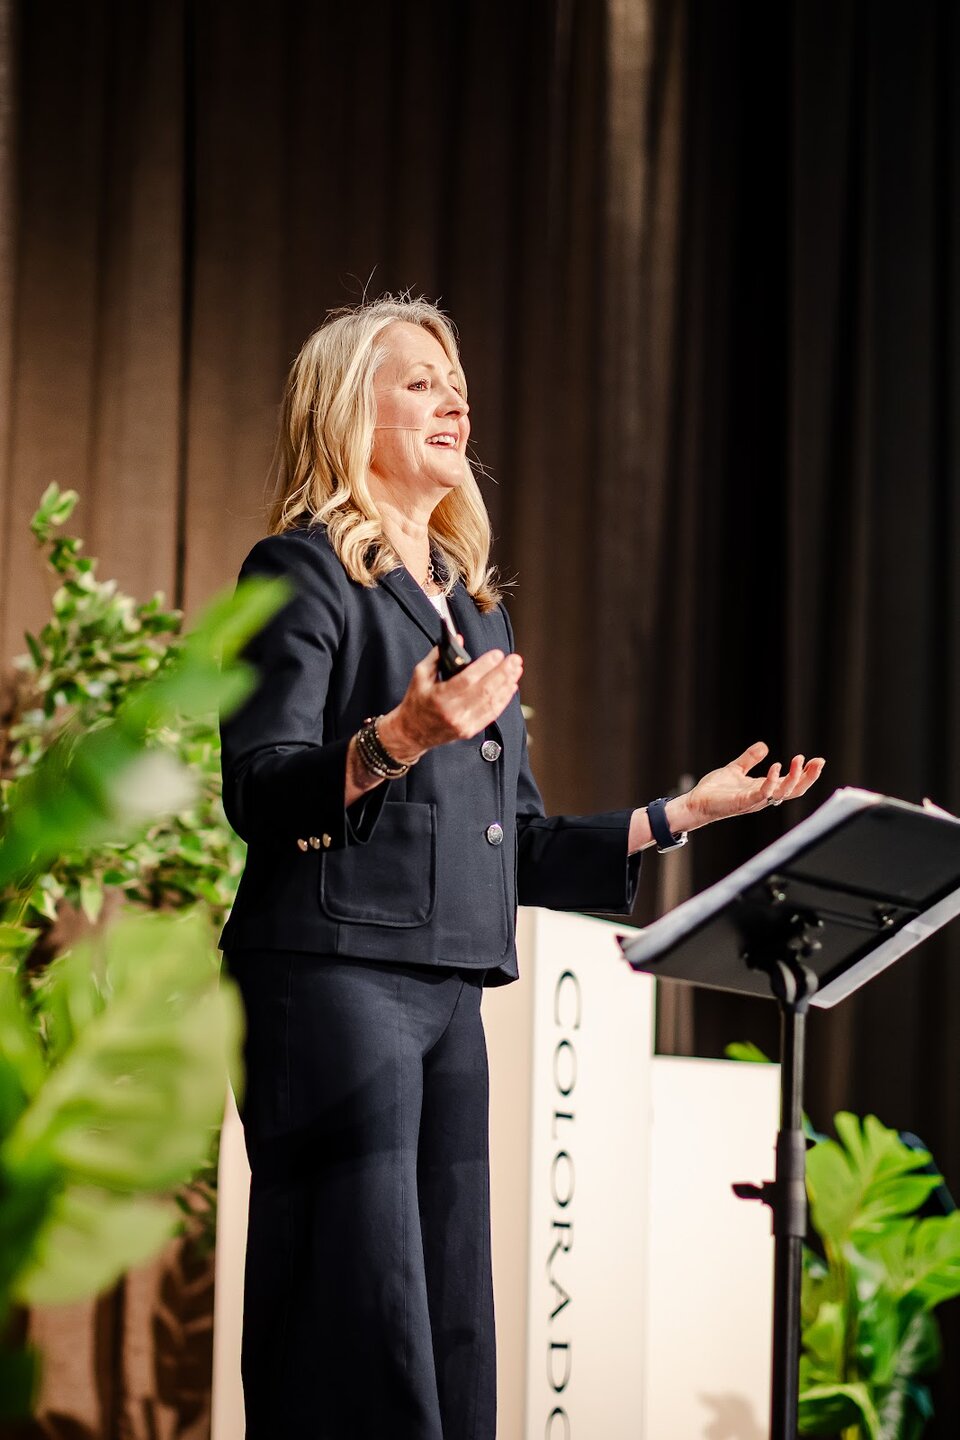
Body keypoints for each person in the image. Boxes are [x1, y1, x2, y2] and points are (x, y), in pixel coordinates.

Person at [219, 295, 825, 1440]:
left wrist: (678, 814)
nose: (453, 400)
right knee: (357, 1324)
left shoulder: (475, 614)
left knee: (454, 1328)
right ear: (348, 413)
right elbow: (259, 788)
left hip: (451, 995)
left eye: (456, 383)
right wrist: (396, 739)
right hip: (329, 982)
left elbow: (521, 848)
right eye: (418, 382)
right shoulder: (300, 573)